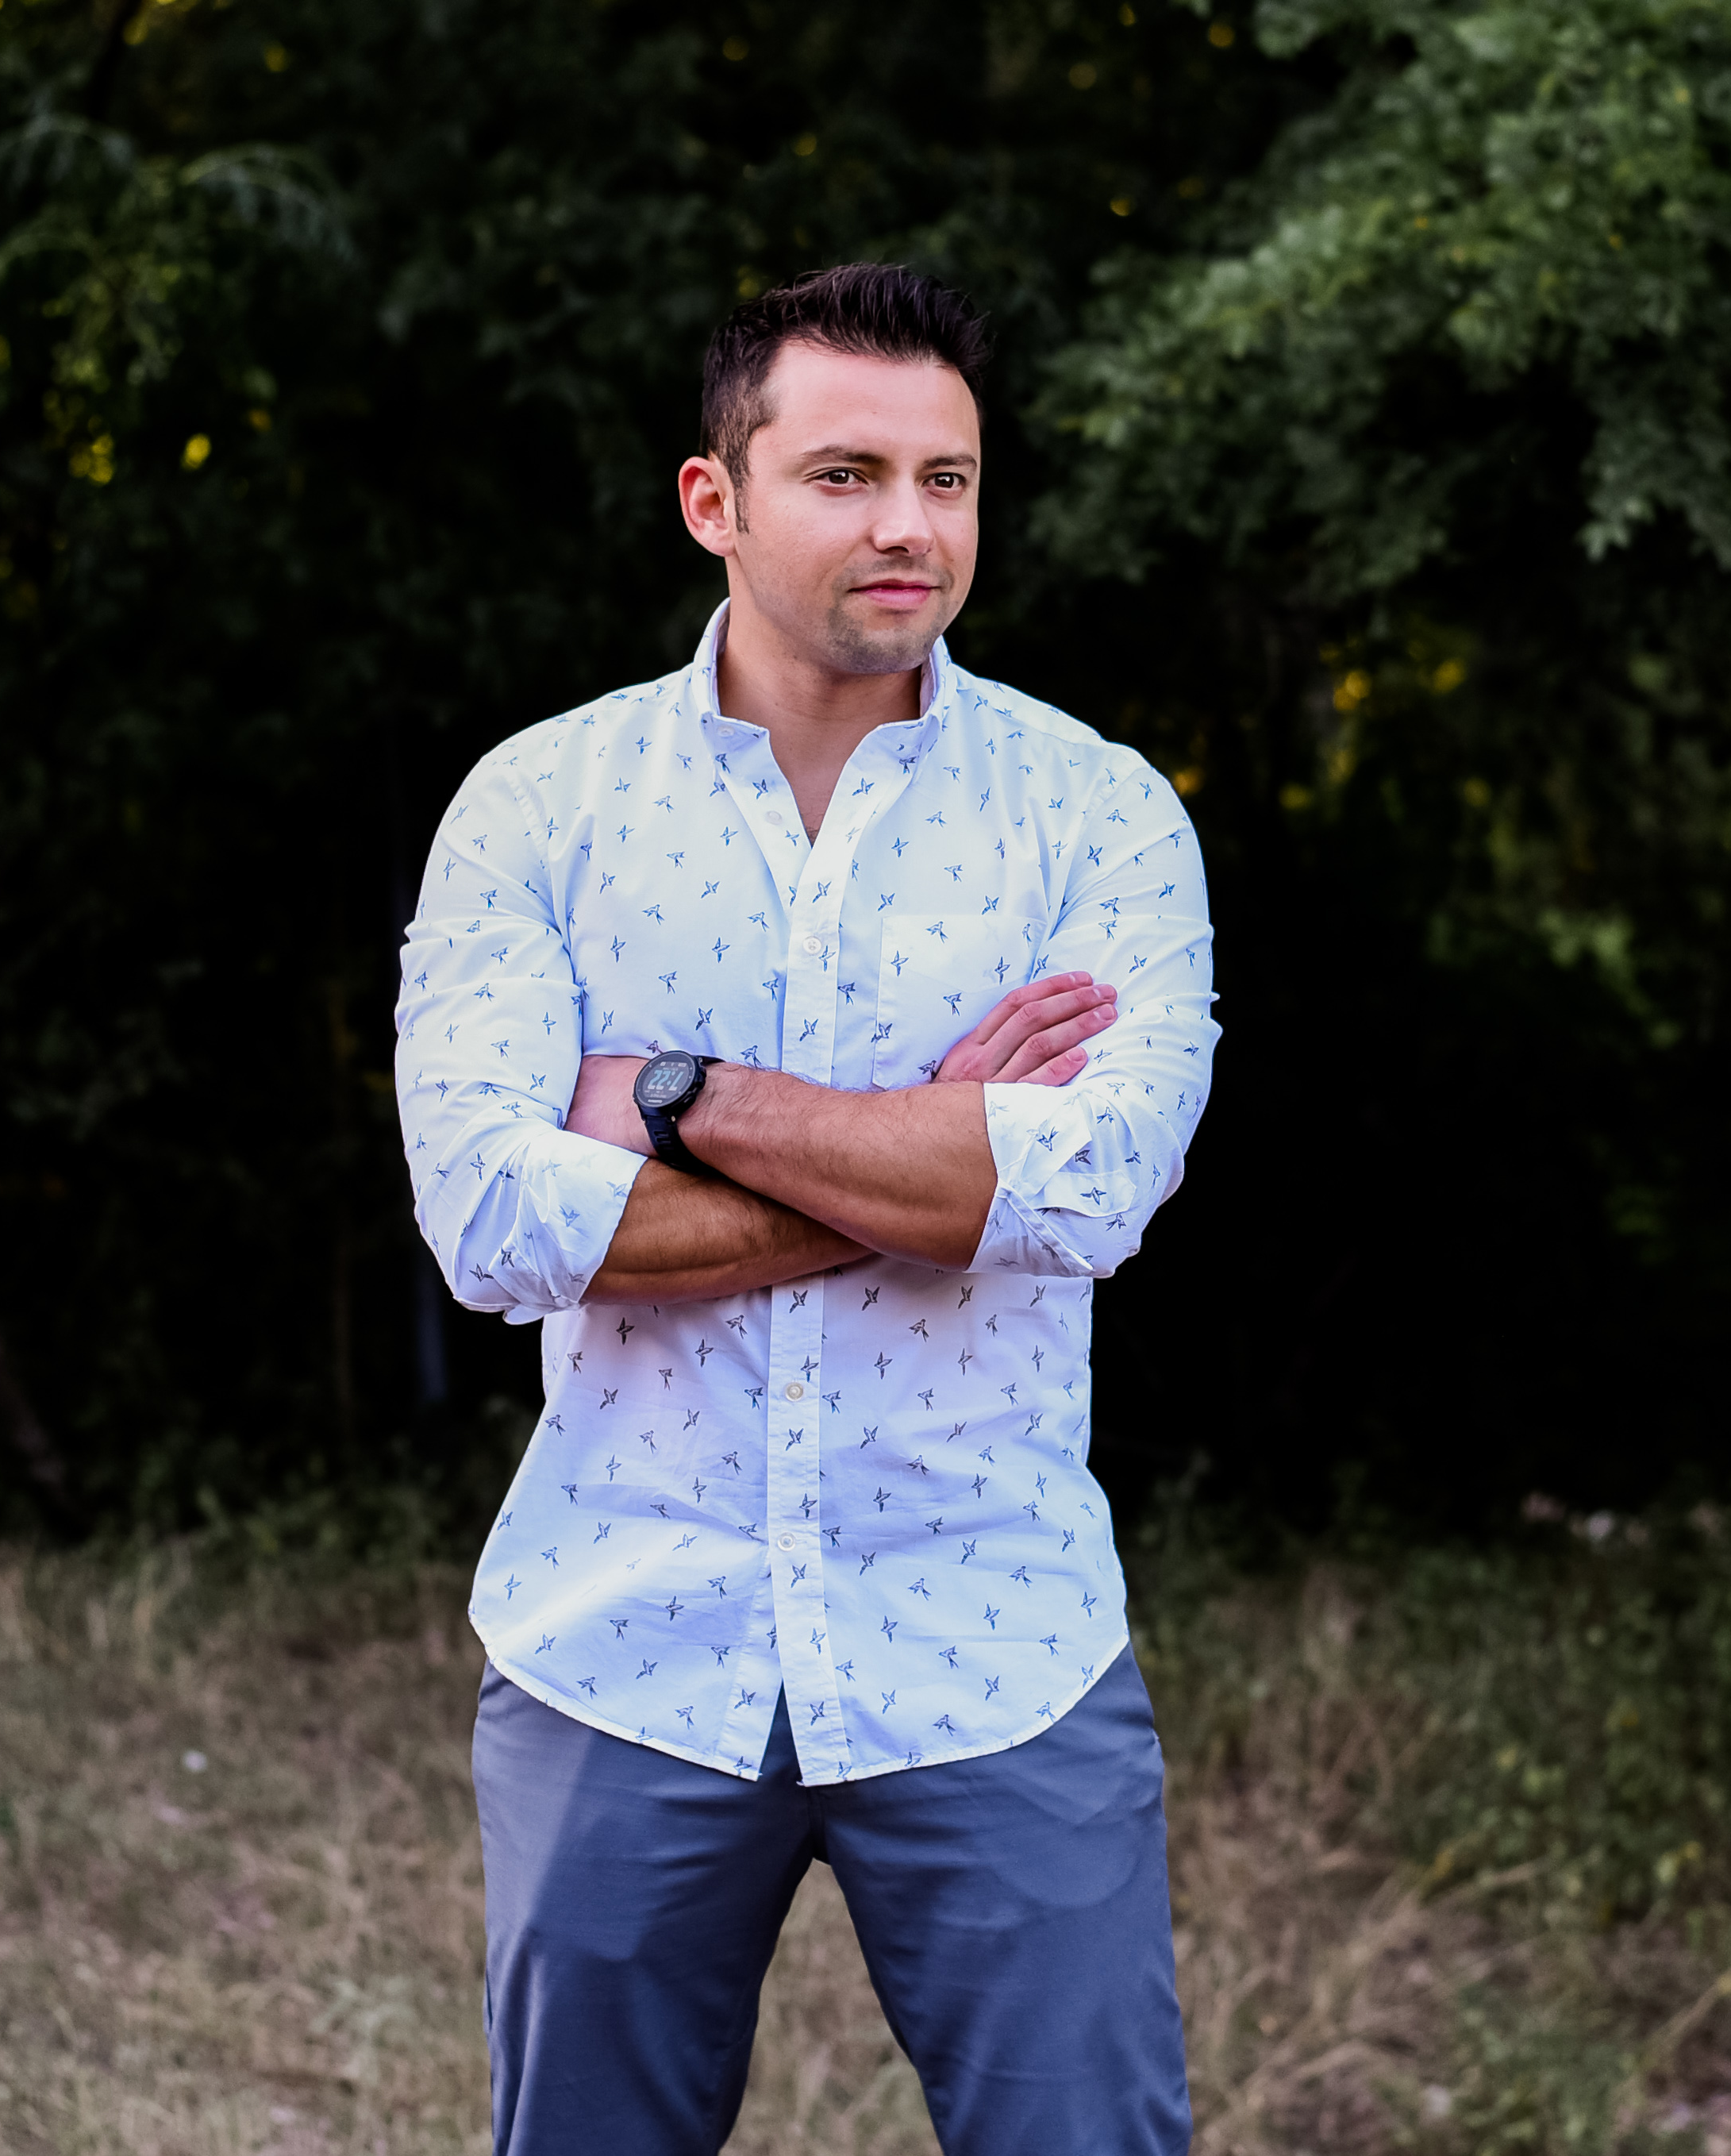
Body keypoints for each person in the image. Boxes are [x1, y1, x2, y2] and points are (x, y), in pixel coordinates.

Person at [390, 262, 1217, 2156]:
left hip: (995, 1637)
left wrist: (684, 1100)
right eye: (846, 474)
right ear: (717, 499)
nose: (910, 524)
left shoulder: (1094, 815)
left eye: (949, 478)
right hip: (625, 1641)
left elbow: (1090, 1186)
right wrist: (933, 1155)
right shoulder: (542, 806)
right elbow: (496, 1220)